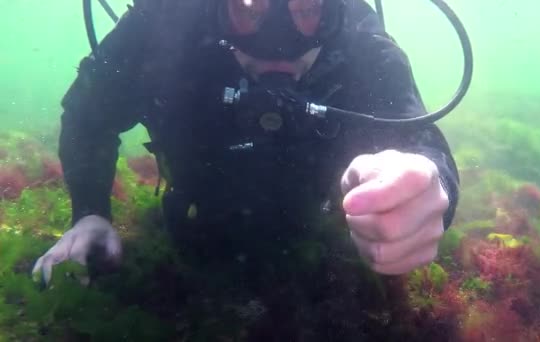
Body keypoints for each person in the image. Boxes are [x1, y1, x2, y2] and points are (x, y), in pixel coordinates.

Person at [33, 0, 458, 290]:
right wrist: (89, 213)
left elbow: (418, 142)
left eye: (306, 9)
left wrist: (424, 185)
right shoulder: (168, 24)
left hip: (321, 225)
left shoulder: (355, 33)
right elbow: (87, 117)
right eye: (250, 10)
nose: (279, 45)